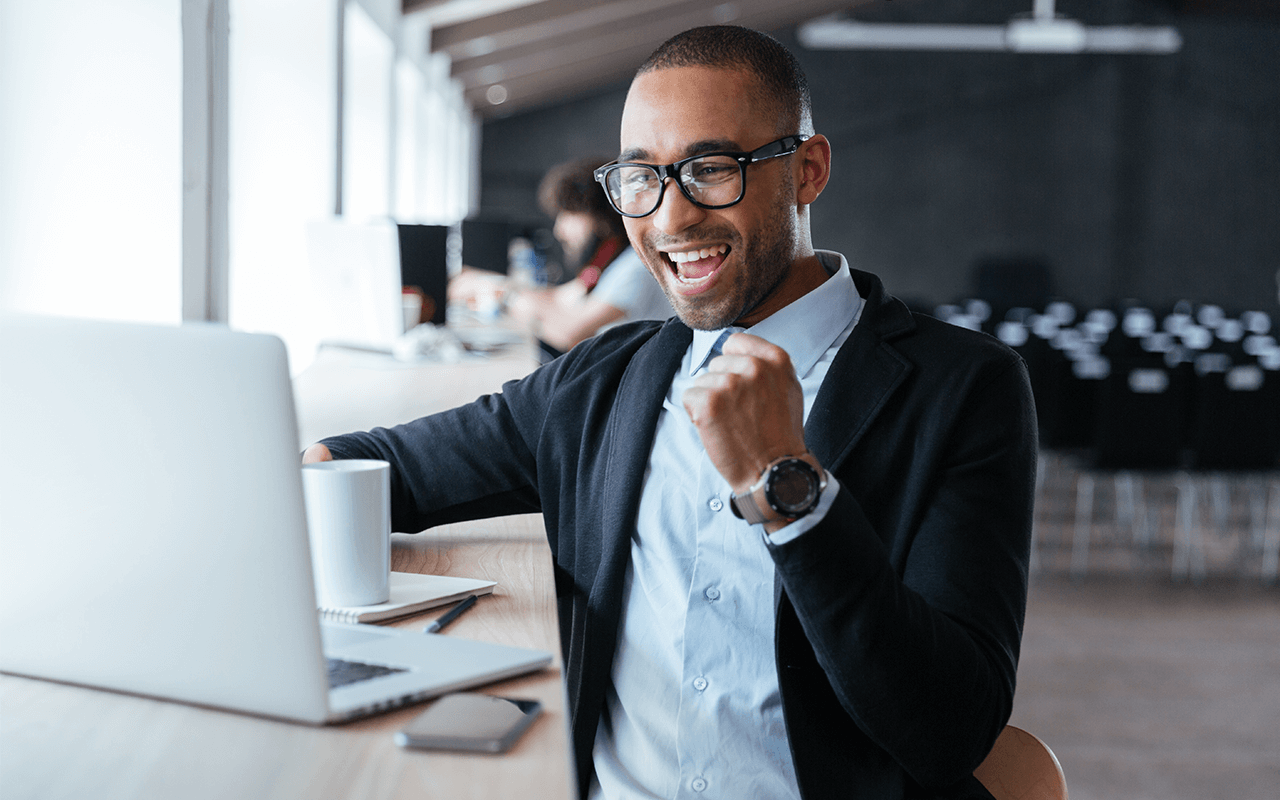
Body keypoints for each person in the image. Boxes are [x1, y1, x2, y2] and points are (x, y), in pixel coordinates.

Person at [305, 25, 1036, 800]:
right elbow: (383, 467)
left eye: (711, 169)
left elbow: (950, 728)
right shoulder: (602, 382)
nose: (670, 219)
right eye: (641, 178)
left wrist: (788, 487)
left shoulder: (964, 388)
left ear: (808, 170)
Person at [457, 157, 675, 362]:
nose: (559, 230)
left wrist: (504, 298)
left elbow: (569, 333)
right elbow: (561, 298)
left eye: (569, 215)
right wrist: (494, 283)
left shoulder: (634, 267)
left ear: (601, 217)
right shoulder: (607, 259)